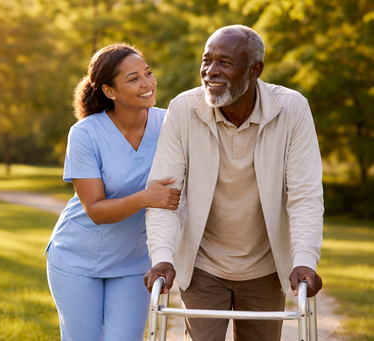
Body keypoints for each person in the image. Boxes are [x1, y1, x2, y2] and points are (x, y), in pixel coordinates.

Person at [144, 25, 324, 341]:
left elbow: (304, 195)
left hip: (265, 268)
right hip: (203, 265)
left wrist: (305, 261)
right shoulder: (184, 109)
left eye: (224, 62)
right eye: (206, 60)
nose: (210, 72)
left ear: (255, 70)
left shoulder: (292, 109)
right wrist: (162, 256)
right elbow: (165, 195)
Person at [45, 43, 181, 341]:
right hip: (76, 259)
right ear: (110, 91)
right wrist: (146, 198)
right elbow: (95, 209)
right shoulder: (85, 134)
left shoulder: (170, 123)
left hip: (134, 262)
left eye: (148, 73)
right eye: (133, 79)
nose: (147, 83)